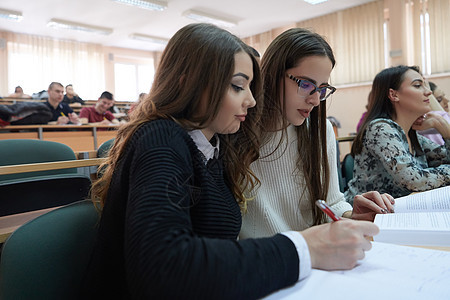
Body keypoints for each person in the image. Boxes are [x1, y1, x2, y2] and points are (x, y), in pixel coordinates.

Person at [81, 23, 379, 299]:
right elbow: (163, 268)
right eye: (238, 86)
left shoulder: (213, 146)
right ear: (191, 85)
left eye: (250, 87)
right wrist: (304, 248)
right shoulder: (162, 138)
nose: (251, 100)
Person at [239, 28, 393, 241]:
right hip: (263, 262)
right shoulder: (237, 132)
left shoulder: (319, 131)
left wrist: (353, 215)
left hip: (318, 257)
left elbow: (331, 204)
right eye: (306, 84)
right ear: (273, 75)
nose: (314, 99)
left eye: (322, 88)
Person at [345, 65, 450, 201]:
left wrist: (444, 128)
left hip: (398, 212)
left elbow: (445, 159)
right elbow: (414, 180)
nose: (428, 92)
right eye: (418, 85)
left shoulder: (411, 134)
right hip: (366, 216)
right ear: (394, 95)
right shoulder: (380, 128)